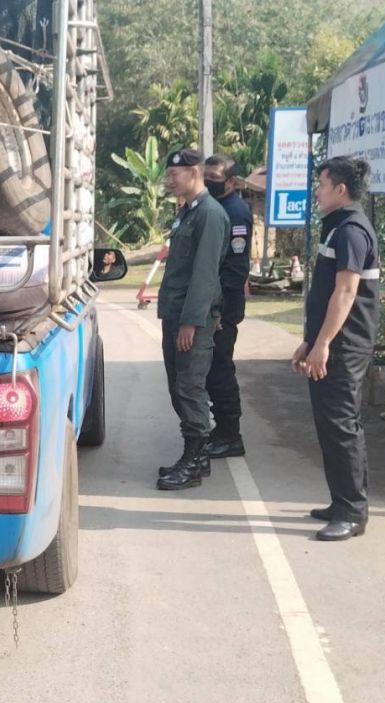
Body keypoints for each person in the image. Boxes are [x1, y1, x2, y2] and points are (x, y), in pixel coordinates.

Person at [293, 156, 380, 542]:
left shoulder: (352, 231)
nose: (317, 191)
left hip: (345, 345)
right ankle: (341, 500)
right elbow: (325, 293)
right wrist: (310, 340)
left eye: (322, 184)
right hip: (330, 342)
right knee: (332, 425)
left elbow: (345, 293)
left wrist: (324, 344)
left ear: (340, 189)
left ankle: (352, 511)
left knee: (342, 425)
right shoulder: (336, 227)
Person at [155, 148, 230, 491]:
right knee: (179, 387)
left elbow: (204, 274)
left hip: (191, 320)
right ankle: (195, 458)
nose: (170, 180)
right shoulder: (189, 212)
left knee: (189, 387)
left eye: (175, 174)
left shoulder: (209, 215)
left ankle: (194, 462)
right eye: (169, 174)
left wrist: (191, 322)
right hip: (177, 314)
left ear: (194, 172)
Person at [203, 154, 254, 459]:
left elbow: (235, 269)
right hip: (213, 304)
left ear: (232, 182)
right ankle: (220, 429)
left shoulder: (236, 213)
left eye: (214, 177)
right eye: (205, 175)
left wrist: (219, 310)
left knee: (220, 369)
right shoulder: (214, 207)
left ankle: (230, 435)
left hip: (224, 308)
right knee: (210, 370)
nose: (208, 181)